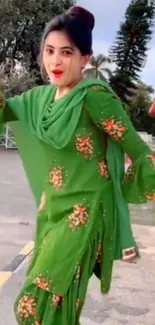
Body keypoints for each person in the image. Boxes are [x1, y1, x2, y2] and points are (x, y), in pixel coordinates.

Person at [0, 6, 155, 325]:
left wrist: (132, 187)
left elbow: (139, 152)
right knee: (51, 309)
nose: (55, 62)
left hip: (83, 216)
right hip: (52, 212)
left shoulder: (94, 97)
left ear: (85, 58)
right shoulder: (38, 100)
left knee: (34, 307)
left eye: (66, 52)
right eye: (50, 51)